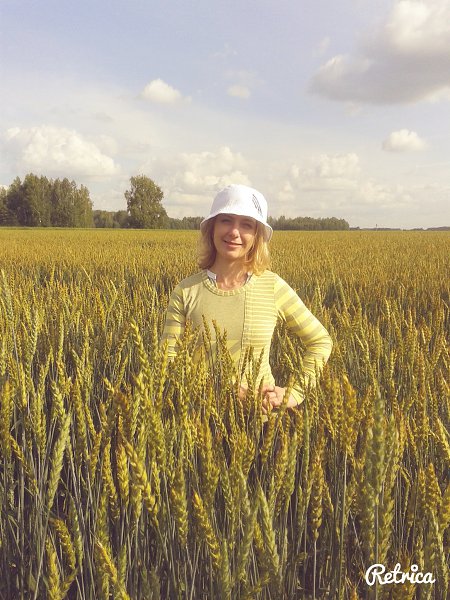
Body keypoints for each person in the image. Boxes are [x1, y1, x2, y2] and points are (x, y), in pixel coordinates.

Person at [161, 184, 332, 413]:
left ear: (256, 236)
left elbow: (321, 341)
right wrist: (227, 390)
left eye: (246, 224)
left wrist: (296, 392)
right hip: (197, 422)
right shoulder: (186, 291)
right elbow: (167, 360)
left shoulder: (273, 286)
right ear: (212, 227)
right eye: (226, 220)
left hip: (263, 424)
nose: (234, 232)